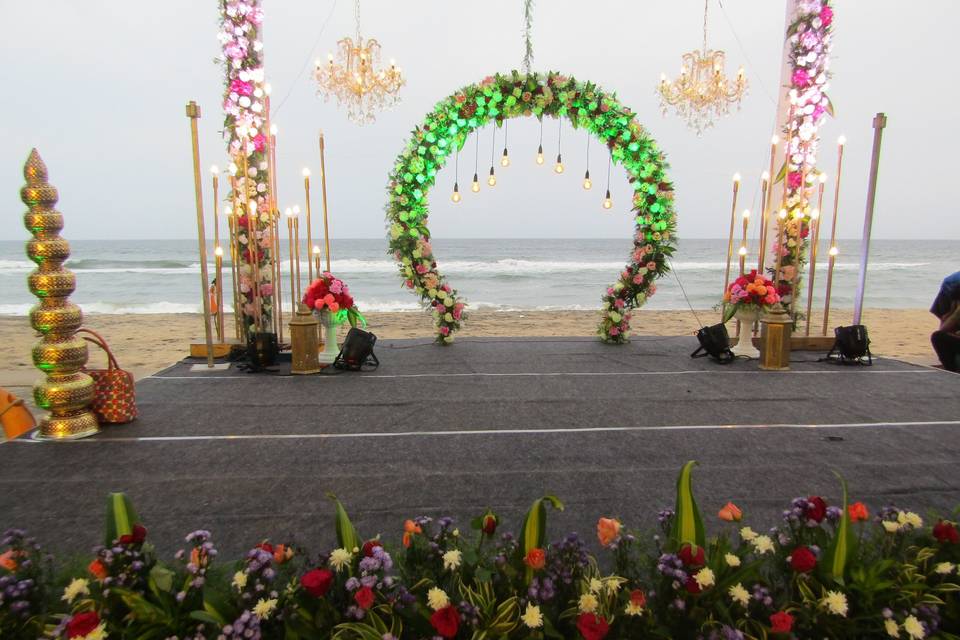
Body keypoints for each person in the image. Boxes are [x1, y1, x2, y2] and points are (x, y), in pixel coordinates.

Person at [930, 271, 960, 372]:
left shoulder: (951, 282)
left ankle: (951, 370)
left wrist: (953, 312)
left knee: (938, 337)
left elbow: (943, 330)